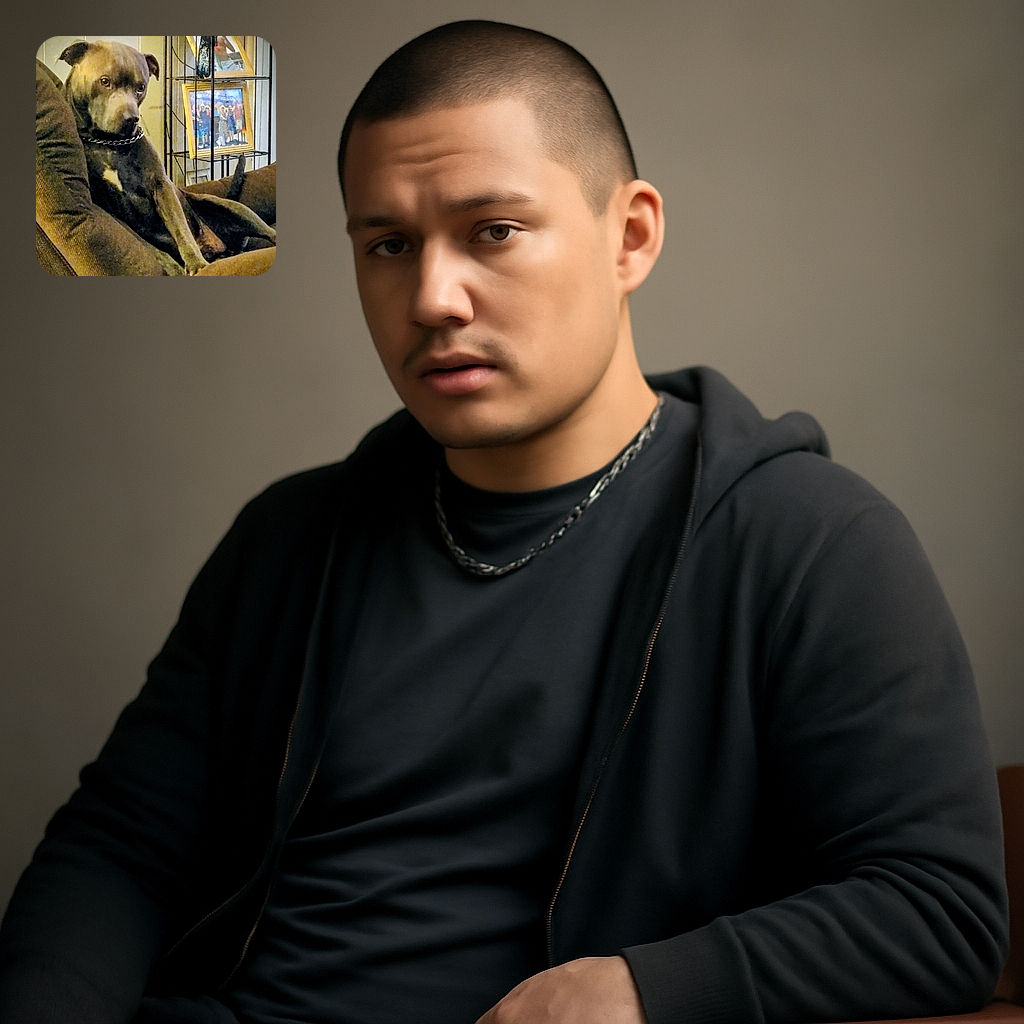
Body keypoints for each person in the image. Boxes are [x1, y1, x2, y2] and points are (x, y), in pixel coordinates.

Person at [0, 20, 1008, 1024]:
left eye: (494, 231)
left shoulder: (805, 540)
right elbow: (119, 846)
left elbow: (941, 909)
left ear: (631, 236)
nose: (432, 298)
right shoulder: (290, 539)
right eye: (388, 245)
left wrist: (641, 989)